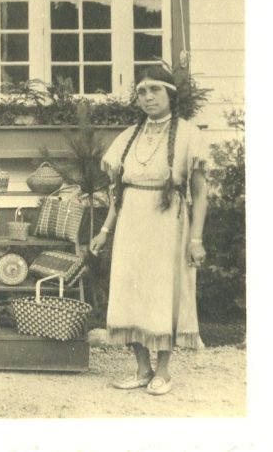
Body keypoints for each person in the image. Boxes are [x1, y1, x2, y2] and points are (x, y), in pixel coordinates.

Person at [89, 64, 209, 396]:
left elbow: (200, 193)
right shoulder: (129, 136)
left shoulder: (188, 134)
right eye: (141, 91)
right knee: (129, 293)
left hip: (168, 224)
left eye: (155, 90)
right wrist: (105, 230)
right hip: (131, 224)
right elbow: (119, 193)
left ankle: (164, 372)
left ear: (170, 94)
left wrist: (196, 239)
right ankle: (142, 369)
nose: (147, 97)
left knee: (161, 292)